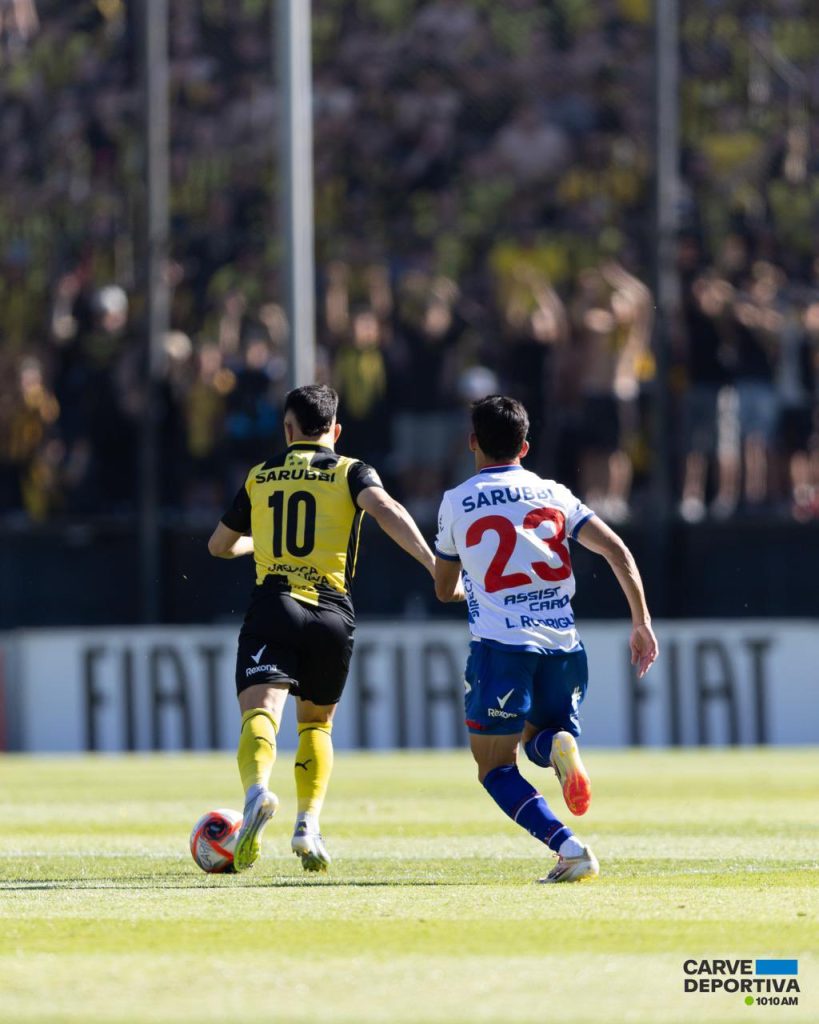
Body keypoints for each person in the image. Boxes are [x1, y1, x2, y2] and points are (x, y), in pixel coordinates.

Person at [208, 383, 435, 873]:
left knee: (261, 713)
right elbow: (387, 511)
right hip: (333, 613)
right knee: (316, 723)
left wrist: (257, 544)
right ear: (335, 430)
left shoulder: (261, 475)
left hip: (276, 603)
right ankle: (308, 823)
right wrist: (433, 564)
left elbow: (218, 546)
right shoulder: (352, 470)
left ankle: (255, 794)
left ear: (288, 430)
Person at [433, 395, 658, 883]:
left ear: (473, 442)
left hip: (502, 650)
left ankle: (569, 847)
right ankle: (560, 744)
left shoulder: (456, 500)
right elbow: (616, 551)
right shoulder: (553, 493)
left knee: (494, 768)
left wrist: (467, 581)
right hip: (564, 645)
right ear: (526, 446)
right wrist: (640, 621)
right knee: (541, 738)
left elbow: (445, 587)